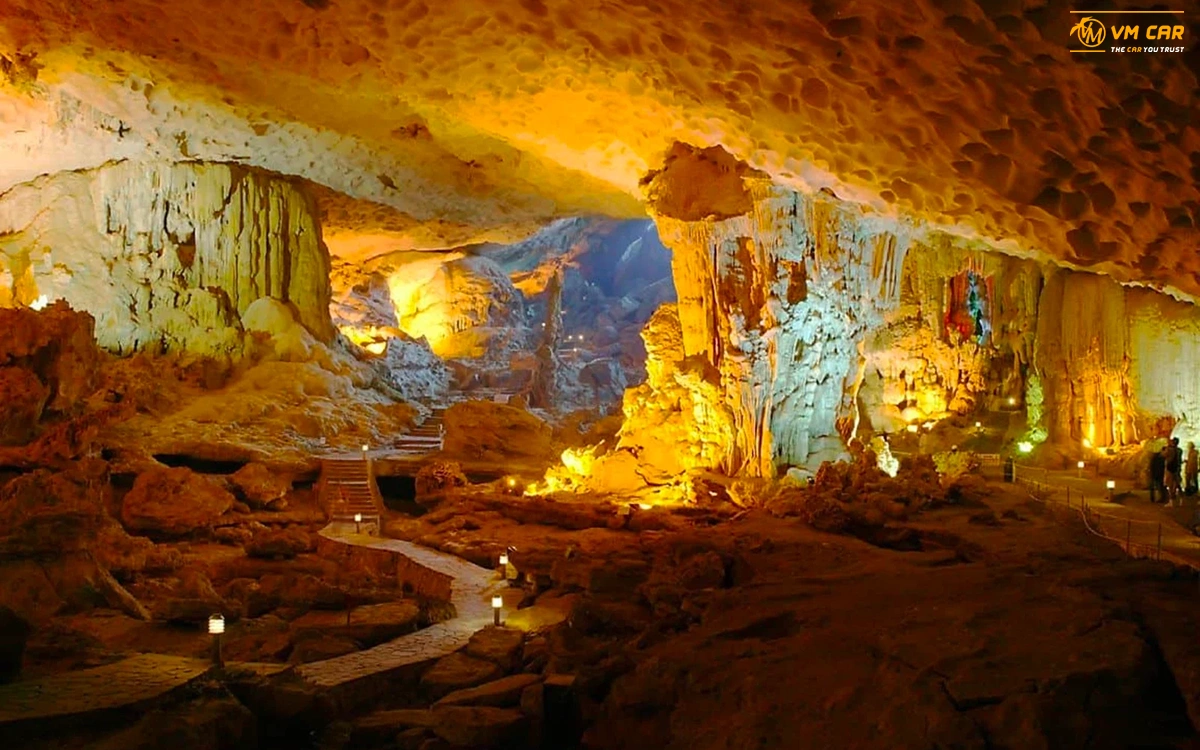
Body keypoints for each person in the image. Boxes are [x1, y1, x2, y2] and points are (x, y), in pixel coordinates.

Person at [1167, 437, 1183, 505]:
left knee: (1170, 484)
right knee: (1177, 484)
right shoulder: (1180, 450)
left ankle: (1171, 500)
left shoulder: (1170, 450)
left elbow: (1164, 455)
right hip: (1177, 468)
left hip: (1171, 469)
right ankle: (1181, 499)